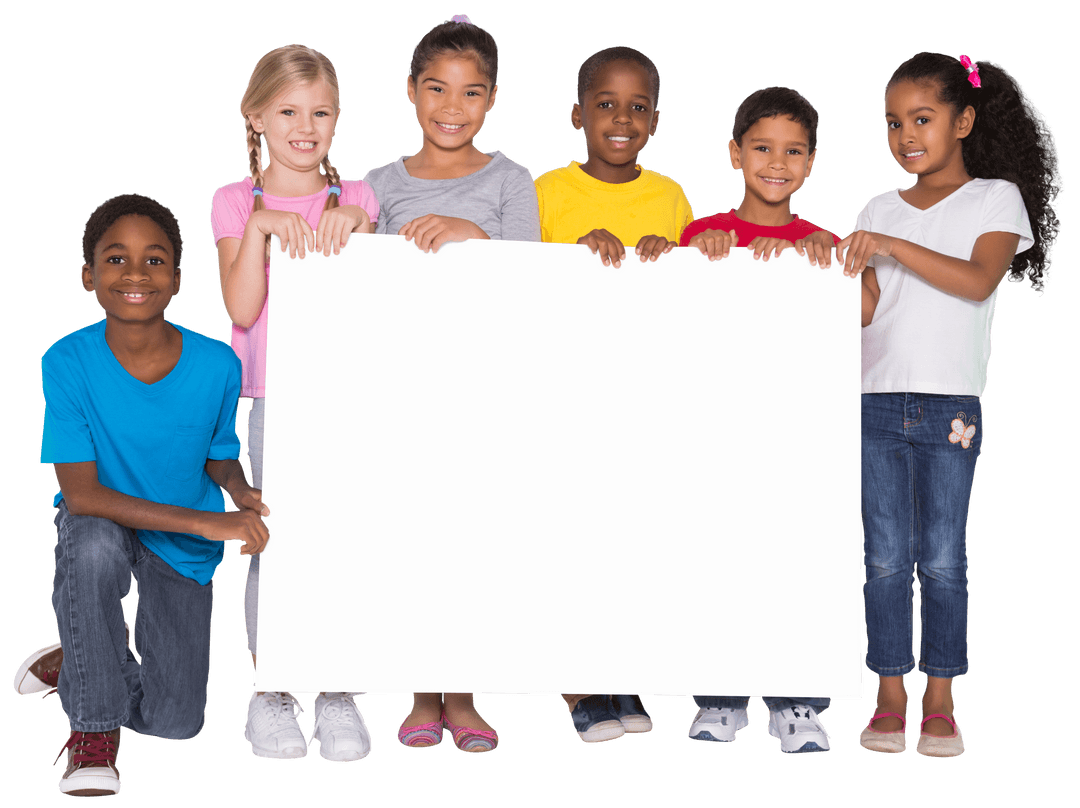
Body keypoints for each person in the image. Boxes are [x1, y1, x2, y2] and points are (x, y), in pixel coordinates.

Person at [841, 52, 1061, 757]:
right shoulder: (877, 208)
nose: (905, 135)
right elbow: (867, 311)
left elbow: (975, 280)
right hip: (874, 399)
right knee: (882, 556)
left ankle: (940, 699)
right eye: (892, 123)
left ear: (963, 121)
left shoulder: (995, 199)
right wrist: (828, 268)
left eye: (922, 119)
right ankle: (889, 696)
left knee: (940, 556)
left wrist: (891, 246)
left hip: (950, 407)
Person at [13, 194, 268, 797]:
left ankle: (82, 655)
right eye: (115, 259)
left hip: (180, 540)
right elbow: (81, 495)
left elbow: (216, 448)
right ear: (88, 276)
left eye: (155, 260)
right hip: (102, 519)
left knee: (176, 722)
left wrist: (238, 489)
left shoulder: (218, 363)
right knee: (93, 549)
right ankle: (93, 729)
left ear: (177, 279)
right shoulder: (66, 360)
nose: (135, 273)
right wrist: (210, 524)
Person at [363, 13, 539, 753]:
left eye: (470, 93)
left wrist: (475, 237)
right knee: (415, 533)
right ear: (411, 89)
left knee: (471, 537)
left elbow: (533, 279)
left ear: (491, 99)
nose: (452, 107)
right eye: (437, 88)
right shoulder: (377, 184)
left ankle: (460, 693)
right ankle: (419, 690)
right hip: (408, 384)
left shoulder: (510, 179)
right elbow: (360, 284)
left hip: (483, 384)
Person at [211, 43, 379, 762]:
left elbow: (381, 299)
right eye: (287, 112)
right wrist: (260, 230)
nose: (304, 128)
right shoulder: (234, 201)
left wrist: (361, 229)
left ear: (338, 118)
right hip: (276, 397)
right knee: (274, 541)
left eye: (320, 113)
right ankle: (271, 691)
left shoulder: (361, 197)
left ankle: (337, 690)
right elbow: (241, 308)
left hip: (348, 399)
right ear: (255, 117)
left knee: (344, 538)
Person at [534, 44, 692, 744]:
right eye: (605, 104)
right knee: (569, 536)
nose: (621, 119)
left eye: (637, 107)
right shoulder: (545, 192)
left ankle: (620, 665)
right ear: (578, 114)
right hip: (565, 392)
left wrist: (668, 258)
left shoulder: (671, 196)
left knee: (627, 536)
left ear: (654, 120)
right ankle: (578, 684)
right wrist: (574, 257)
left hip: (640, 396)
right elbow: (516, 284)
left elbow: (691, 286)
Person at [679, 86, 839, 755]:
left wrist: (831, 262)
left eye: (794, 152)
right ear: (735, 154)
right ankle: (720, 696)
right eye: (763, 148)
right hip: (716, 426)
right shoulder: (701, 236)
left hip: (793, 432)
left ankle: (794, 701)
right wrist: (701, 252)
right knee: (715, 552)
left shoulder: (823, 246)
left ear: (811, 163)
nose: (777, 163)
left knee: (793, 553)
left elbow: (857, 317)